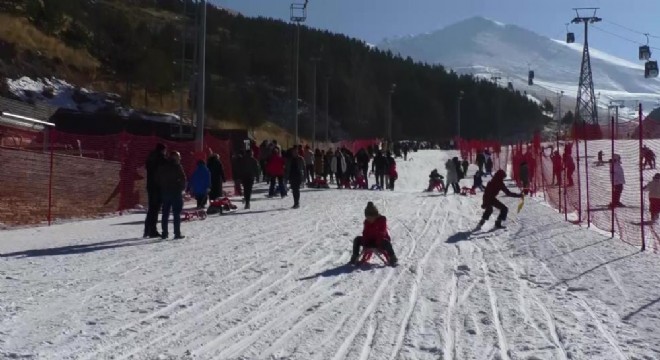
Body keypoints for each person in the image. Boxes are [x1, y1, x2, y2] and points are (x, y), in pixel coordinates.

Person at [348, 202, 398, 266]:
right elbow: (365, 232)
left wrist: (378, 243)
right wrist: (366, 242)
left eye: (370, 218)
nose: (369, 219)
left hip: (380, 240)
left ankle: (392, 257)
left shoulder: (382, 220)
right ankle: (355, 256)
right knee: (357, 239)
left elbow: (382, 232)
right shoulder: (366, 222)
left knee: (387, 243)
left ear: (375, 216)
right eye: (367, 217)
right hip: (369, 240)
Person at [158, 151, 186, 239]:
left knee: (165, 213)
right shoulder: (177, 166)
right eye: (179, 156)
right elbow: (183, 179)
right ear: (175, 157)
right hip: (176, 193)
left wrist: (163, 187)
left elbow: (158, 178)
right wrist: (181, 188)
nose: (180, 158)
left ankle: (164, 233)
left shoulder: (163, 166)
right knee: (176, 213)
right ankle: (177, 233)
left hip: (166, 192)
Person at [143, 143, 167, 238]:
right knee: (155, 209)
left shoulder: (150, 158)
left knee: (151, 209)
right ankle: (153, 230)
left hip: (150, 185)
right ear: (163, 150)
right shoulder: (162, 159)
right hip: (158, 186)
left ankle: (147, 230)